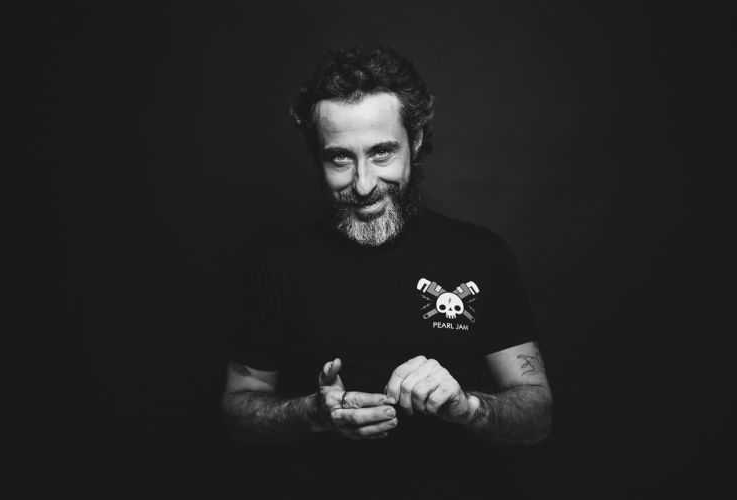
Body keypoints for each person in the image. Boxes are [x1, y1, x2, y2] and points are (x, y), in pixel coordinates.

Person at [222, 45, 552, 499]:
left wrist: (468, 406)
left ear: (414, 140)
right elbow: (237, 409)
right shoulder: (278, 262)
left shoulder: (481, 254)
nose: (363, 184)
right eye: (340, 158)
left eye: (381, 153)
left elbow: (537, 415)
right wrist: (311, 413)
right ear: (317, 157)